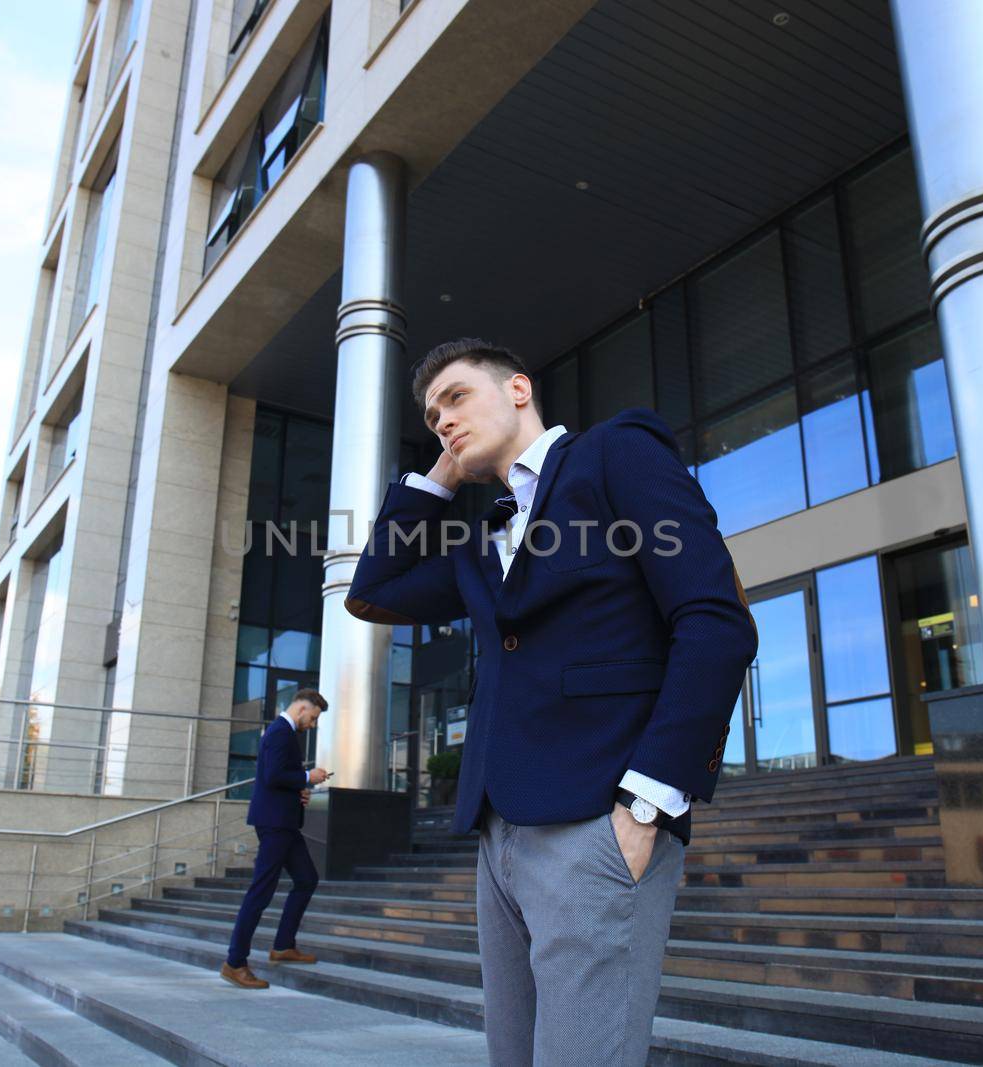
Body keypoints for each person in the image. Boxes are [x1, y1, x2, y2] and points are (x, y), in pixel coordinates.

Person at [345, 339, 755, 1064]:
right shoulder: (480, 545)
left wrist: (650, 802)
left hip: (599, 818)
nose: (442, 418)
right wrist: (447, 465)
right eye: (433, 414)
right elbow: (372, 591)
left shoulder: (614, 454)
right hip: (498, 830)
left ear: (520, 389)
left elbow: (715, 621)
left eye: (458, 396)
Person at [220, 688, 331, 989]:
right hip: (275, 824)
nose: (313, 724)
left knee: (306, 879)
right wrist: (308, 778)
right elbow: (272, 775)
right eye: (314, 717)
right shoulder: (281, 732)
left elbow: (279, 778)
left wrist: (300, 791)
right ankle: (235, 962)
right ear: (302, 708)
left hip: (284, 822)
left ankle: (283, 945)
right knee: (261, 892)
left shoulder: (282, 732)